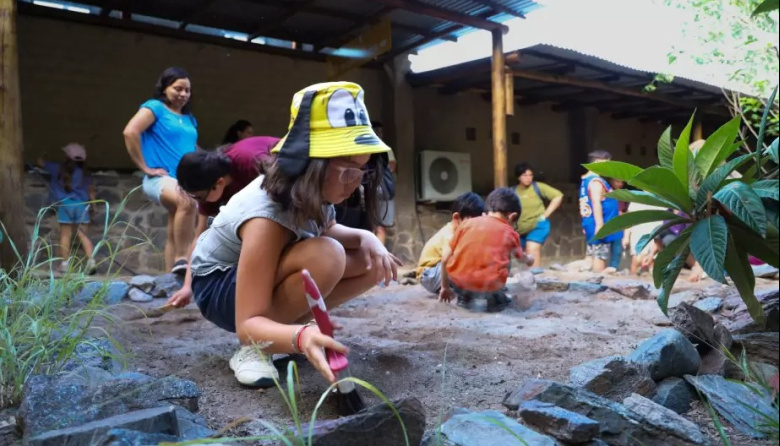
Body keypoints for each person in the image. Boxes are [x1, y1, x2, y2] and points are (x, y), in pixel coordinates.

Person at [188, 82, 402, 387]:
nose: (356, 182)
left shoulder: (315, 195)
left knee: (370, 262)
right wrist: (299, 338)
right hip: (219, 285)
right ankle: (257, 348)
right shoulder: (268, 216)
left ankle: (281, 329)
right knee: (326, 254)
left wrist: (366, 238)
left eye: (362, 171)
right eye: (347, 171)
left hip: (250, 280)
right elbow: (245, 322)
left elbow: (326, 229)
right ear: (309, 165)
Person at [167, 136, 281, 308]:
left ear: (219, 183)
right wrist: (187, 287)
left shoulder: (251, 163)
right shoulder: (209, 183)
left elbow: (287, 189)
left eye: (199, 197)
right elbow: (200, 237)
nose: (199, 201)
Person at [123, 67, 199, 275]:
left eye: (187, 90)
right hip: (160, 178)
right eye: (178, 88)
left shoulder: (190, 119)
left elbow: (190, 147)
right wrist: (144, 167)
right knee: (187, 202)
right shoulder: (155, 107)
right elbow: (130, 132)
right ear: (165, 88)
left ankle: (170, 280)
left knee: (176, 226)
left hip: (183, 180)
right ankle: (182, 259)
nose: (183, 94)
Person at [439, 188, 534, 313]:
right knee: (506, 255)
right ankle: (495, 300)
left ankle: (465, 299)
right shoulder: (509, 232)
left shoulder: (465, 225)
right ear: (512, 216)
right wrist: (529, 259)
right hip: (489, 287)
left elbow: (445, 258)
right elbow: (521, 258)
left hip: (460, 285)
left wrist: (445, 287)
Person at [38, 143, 96, 274]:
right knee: (84, 235)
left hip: (65, 205)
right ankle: (91, 261)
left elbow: (40, 162)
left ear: (67, 156)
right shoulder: (85, 173)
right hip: (82, 206)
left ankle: (64, 265)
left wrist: (43, 153)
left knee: (65, 235)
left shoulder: (57, 168)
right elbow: (91, 191)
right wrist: (93, 206)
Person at [416, 192, 485, 295]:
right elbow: (446, 259)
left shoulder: (461, 232)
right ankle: (458, 290)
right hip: (429, 274)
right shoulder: (449, 235)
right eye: (471, 223)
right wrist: (445, 288)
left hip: (438, 272)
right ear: (457, 218)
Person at [513, 162, 564, 268]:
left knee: (532, 249)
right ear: (518, 177)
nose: (528, 178)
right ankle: (530, 277)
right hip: (520, 229)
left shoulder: (538, 187)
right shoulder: (513, 191)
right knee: (524, 255)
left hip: (538, 225)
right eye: (525, 175)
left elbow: (558, 196)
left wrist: (545, 215)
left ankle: (536, 278)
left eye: (530, 175)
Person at [579, 150, 623, 273]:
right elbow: (595, 202)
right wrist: (599, 225)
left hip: (590, 223)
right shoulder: (595, 181)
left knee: (593, 254)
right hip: (599, 225)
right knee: (599, 256)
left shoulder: (585, 180)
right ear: (597, 163)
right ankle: (596, 284)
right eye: (607, 164)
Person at [373, 122, 396, 246]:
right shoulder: (385, 149)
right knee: (381, 228)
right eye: (378, 131)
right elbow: (392, 166)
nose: (380, 133)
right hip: (383, 191)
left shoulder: (364, 147)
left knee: (371, 226)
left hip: (367, 191)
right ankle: (377, 258)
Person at [606, 178, 629, 273]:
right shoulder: (607, 192)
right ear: (611, 181)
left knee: (617, 246)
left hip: (618, 224)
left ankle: (614, 266)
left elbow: (623, 211)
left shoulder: (622, 195)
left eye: (622, 181)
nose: (620, 184)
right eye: (617, 181)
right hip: (608, 222)